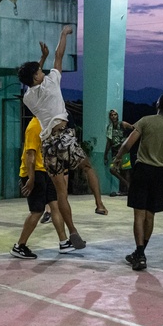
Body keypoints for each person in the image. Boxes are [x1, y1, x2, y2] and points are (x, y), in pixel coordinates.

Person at [16, 25, 105, 249]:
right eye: (39, 71)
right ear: (37, 76)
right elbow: (59, 55)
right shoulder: (52, 82)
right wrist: (63, 35)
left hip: (49, 146)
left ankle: (73, 231)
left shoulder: (28, 97)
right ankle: (99, 203)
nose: (42, 71)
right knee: (87, 167)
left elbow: (33, 77)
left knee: (60, 195)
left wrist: (41, 59)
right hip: (64, 137)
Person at [115, 93, 163, 271]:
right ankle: (140, 254)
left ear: (158, 104)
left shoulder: (145, 121)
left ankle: (139, 252)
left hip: (143, 169)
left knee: (139, 214)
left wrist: (117, 157)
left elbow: (128, 144)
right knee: (150, 215)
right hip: (162, 173)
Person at [11, 117, 75, 259]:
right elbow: (30, 155)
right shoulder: (34, 126)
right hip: (34, 172)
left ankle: (64, 242)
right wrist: (31, 179)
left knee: (55, 205)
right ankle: (19, 246)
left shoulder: (48, 125)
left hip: (47, 170)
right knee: (37, 211)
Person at [105, 109, 134, 196]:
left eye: (115, 115)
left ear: (118, 116)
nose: (113, 116)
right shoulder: (109, 128)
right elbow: (109, 142)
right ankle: (127, 185)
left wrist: (129, 141)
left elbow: (134, 129)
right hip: (115, 151)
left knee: (126, 170)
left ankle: (127, 190)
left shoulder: (123, 124)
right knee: (113, 169)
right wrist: (105, 154)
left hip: (124, 150)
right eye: (111, 115)